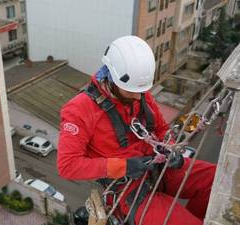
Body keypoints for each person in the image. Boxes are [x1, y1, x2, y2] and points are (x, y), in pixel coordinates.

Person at [57, 36, 216, 225]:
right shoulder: (80, 110)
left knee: (215, 179)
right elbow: (67, 166)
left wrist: (170, 148)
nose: (137, 96)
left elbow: (161, 129)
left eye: (140, 91)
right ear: (112, 78)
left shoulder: (138, 93)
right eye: (130, 91)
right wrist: (124, 166)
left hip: (158, 167)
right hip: (128, 188)